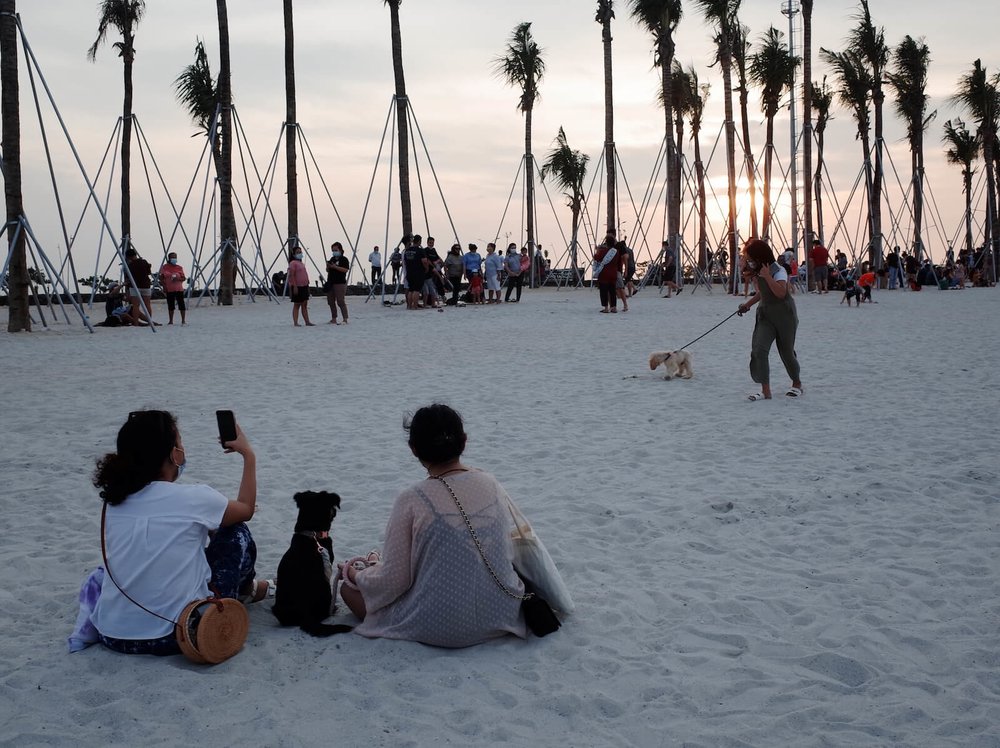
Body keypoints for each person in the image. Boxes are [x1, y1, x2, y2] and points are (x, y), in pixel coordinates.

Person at [339, 404, 526, 647]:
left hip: (440, 625)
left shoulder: (412, 498)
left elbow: (395, 580)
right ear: (464, 441)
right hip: (502, 613)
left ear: (413, 449)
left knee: (347, 590)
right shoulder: (490, 483)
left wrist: (356, 574)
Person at [89, 410, 270, 656]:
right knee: (236, 531)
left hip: (111, 634)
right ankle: (246, 591)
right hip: (177, 633)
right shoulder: (193, 497)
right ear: (173, 454)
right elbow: (246, 509)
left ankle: (251, 590)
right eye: (180, 443)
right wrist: (248, 454)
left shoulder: (113, 501)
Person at [737, 239, 803, 400]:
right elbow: (763, 293)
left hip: (784, 314)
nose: (749, 261)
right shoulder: (757, 271)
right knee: (759, 350)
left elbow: (780, 293)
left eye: (751, 258)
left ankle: (797, 383)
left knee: (786, 352)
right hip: (765, 314)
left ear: (760, 257)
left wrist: (767, 276)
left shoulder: (778, 270)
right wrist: (748, 305)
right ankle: (766, 391)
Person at [124, 247, 154, 326]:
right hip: (145, 285)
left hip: (135, 286)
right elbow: (148, 272)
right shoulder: (143, 262)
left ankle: (136, 323)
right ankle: (149, 321)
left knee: (136, 306)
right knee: (147, 304)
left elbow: (128, 277)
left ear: (128, 257)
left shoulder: (130, 265)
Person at [157, 252, 187, 325]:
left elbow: (184, 278)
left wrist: (178, 278)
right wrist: (164, 286)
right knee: (170, 305)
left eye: (175, 257)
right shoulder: (165, 267)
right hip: (169, 289)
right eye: (173, 257)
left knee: (181, 304)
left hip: (179, 288)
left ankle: (183, 320)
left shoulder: (179, 267)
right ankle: (171, 320)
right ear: (169, 258)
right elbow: (161, 277)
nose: (174, 259)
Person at [287, 247, 314, 326]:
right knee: (297, 304)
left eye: (300, 252)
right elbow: (291, 275)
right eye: (298, 252)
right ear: (294, 254)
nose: (300, 254)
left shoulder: (301, 263)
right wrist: (294, 286)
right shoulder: (293, 263)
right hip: (297, 286)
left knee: (304, 304)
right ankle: (295, 322)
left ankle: (307, 321)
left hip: (304, 285)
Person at [325, 242, 350, 324]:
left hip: (340, 282)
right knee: (331, 301)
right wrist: (328, 267)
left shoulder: (344, 259)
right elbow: (328, 270)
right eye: (333, 250)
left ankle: (345, 319)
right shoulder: (332, 259)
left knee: (340, 301)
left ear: (340, 250)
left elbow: (345, 270)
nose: (334, 252)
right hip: (331, 282)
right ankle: (334, 318)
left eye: (336, 250)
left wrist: (335, 267)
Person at [403, 235, 428, 310]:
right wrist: (426, 268)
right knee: (416, 290)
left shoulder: (407, 250)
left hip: (409, 272)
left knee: (411, 289)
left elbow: (404, 261)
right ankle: (415, 306)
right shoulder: (420, 250)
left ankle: (409, 306)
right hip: (418, 272)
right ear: (419, 241)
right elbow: (424, 261)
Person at [594, 242, 620, 313]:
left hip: (604, 274)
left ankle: (606, 308)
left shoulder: (602, 252)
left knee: (604, 291)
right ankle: (614, 307)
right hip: (613, 273)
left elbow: (596, 258)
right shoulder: (616, 252)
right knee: (612, 291)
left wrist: (598, 251)